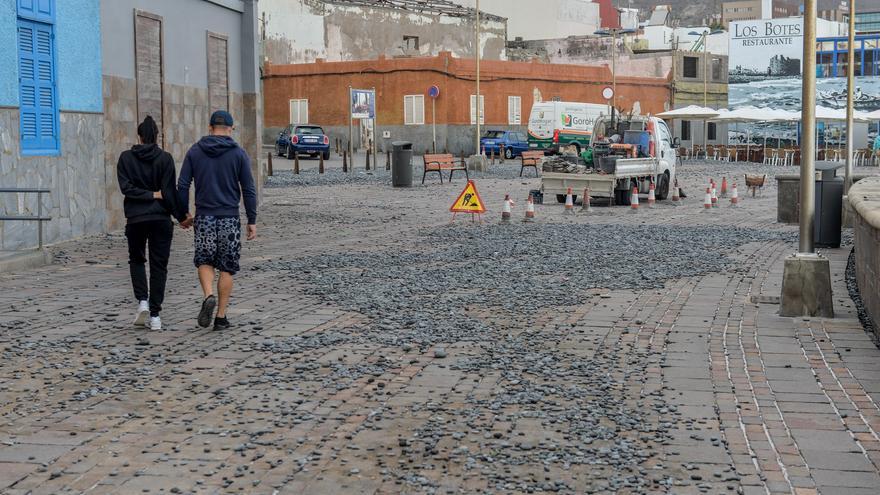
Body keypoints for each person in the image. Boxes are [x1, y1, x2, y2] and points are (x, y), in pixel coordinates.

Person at [178, 110, 257, 330]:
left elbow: (183, 185)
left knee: (204, 260)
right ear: (230, 129)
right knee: (227, 268)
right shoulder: (239, 154)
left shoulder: (195, 151)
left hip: (204, 216)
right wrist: (252, 219)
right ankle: (221, 317)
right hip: (229, 217)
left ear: (210, 128)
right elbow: (248, 189)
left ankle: (208, 294)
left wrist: (183, 213)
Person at [117, 116, 187, 331]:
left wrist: (146, 194)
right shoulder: (165, 159)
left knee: (137, 260)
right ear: (157, 136)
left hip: (136, 219)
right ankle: (155, 315)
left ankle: (142, 302)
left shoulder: (126, 158)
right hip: (160, 220)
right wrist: (182, 216)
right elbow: (169, 192)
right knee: (159, 266)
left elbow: (126, 188)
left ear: (139, 136)